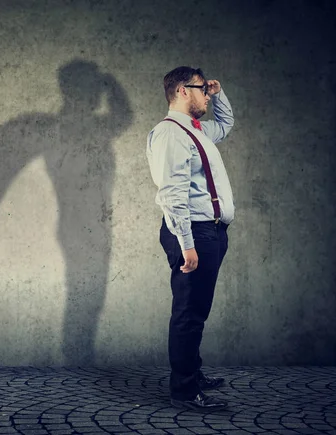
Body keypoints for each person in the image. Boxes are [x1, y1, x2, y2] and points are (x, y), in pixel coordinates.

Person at [146, 66, 235, 411]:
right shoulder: (171, 134)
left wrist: (219, 91)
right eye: (202, 89)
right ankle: (183, 391)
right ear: (183, 91)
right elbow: (172, 194)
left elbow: (226, 125)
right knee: (188, 312)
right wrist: (187, 244)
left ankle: (192, 374)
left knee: (197, 308)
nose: (207, 96)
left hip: (209, 231)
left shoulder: (196, 130)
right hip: (193, 232)